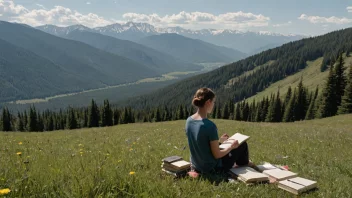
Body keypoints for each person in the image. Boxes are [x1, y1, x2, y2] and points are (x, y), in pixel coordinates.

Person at [185, 87, 255, 174]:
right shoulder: (210, 126)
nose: (214, 104)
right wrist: (231, 147)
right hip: (213, 168)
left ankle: (244, 162)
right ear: (208, 102)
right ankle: (245, 164)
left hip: (197, 165)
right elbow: (217, 155)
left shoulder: (189, 121)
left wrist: (220, 141)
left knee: (229, 145)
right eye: (213, 102)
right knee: (242, 144)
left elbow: (201, 143)